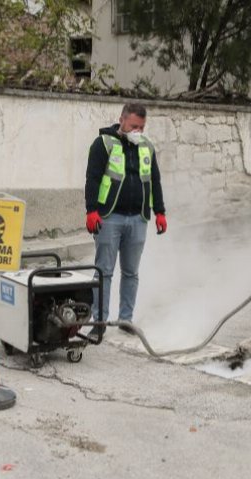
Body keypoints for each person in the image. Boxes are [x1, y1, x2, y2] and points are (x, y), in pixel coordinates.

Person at [84, 103, 167, 334]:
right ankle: (99, 322)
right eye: (133, 126)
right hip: (109, 217)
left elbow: (154, 181)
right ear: (122, 120)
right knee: (104, 271)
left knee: (131, 273)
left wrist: (160, 212)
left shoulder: (147, 147)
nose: (137, 131)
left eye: (141, 127)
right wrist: (91, 210)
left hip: (137, 219)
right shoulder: (103, 144)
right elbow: (92, 178)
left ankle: (125, 320)